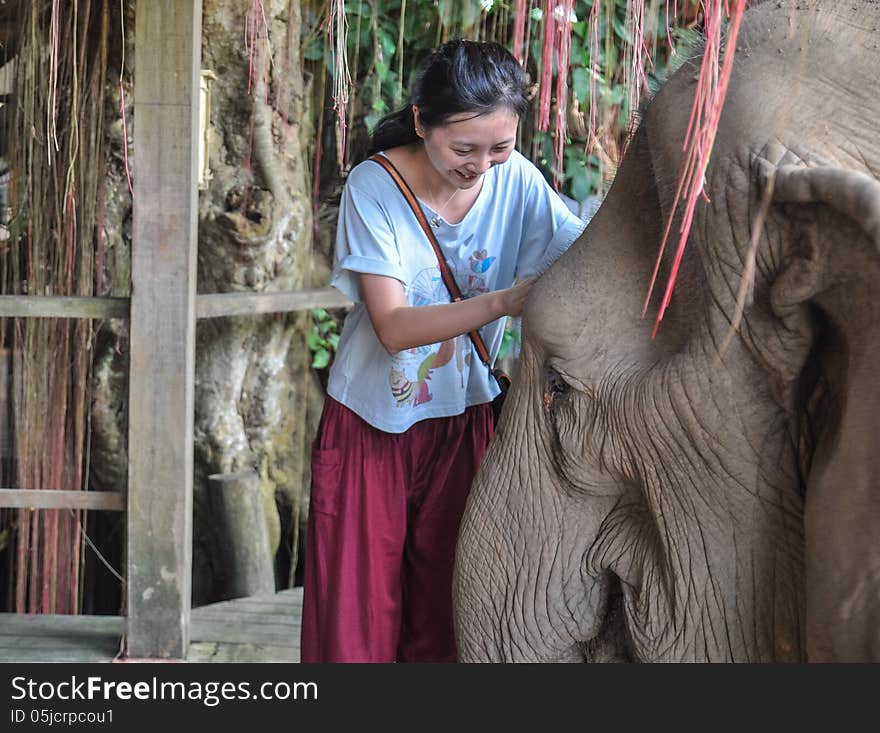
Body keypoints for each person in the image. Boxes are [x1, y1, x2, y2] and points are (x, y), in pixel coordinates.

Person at [300, 39, 586, 663]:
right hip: (372, 424)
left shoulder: (518, 183)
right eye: (463, 147)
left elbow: (586, 258)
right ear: (423, 123)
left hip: (464, 420)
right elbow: (394, 327)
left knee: (450, 608)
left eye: (500, 147)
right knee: (355, 620)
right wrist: (505, 302)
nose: (481, 164)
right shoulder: (372, 187)